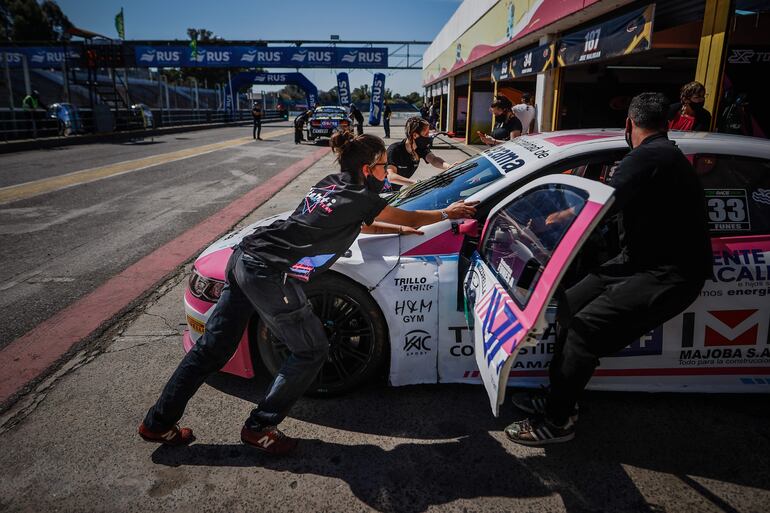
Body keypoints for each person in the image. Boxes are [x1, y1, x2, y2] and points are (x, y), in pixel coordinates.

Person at [138, 131, 478, 454]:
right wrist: (449, 212)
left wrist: (399, 229)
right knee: (312, 349)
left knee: (212, 349)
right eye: (381, 165)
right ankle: (260, 428)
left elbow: (364, 223)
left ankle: (158, 421)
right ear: (366, 169)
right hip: (270, 273)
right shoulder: (363, 197)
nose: (385, 171)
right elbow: (411, 217)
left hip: (246, 256)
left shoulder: (329, 185)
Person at [504, 92, 711, 446]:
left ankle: (556, 422)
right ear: (667, 123)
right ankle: (560, 397)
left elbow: (596, 211)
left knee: (584, 331)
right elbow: (608, 198)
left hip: (668, 273)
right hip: (637, 260)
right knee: (569, 305)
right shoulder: (660, 155)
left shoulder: (645, 158)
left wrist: (545, 226)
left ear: (629, 124)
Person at [386, 116, 456, 191]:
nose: (428, 137)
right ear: (415, 135)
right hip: (381, 191)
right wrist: (416, 183)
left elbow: (433, 159)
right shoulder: (394, 150)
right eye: (426, 134)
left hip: (395, 191)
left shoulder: (420, 148)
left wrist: (449, 166)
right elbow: (391, 176)